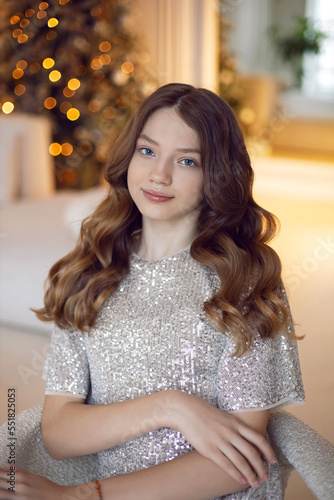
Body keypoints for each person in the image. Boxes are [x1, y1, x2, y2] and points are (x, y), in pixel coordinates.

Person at [0, 83, 305, 499]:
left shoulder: (243, 279)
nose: (159, 175)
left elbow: (241, 467)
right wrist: (170, 406)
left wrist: (85, 496)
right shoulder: (90, 271)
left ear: (217, 173)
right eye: (147, 151)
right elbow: (58, 432)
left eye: (186, 160)